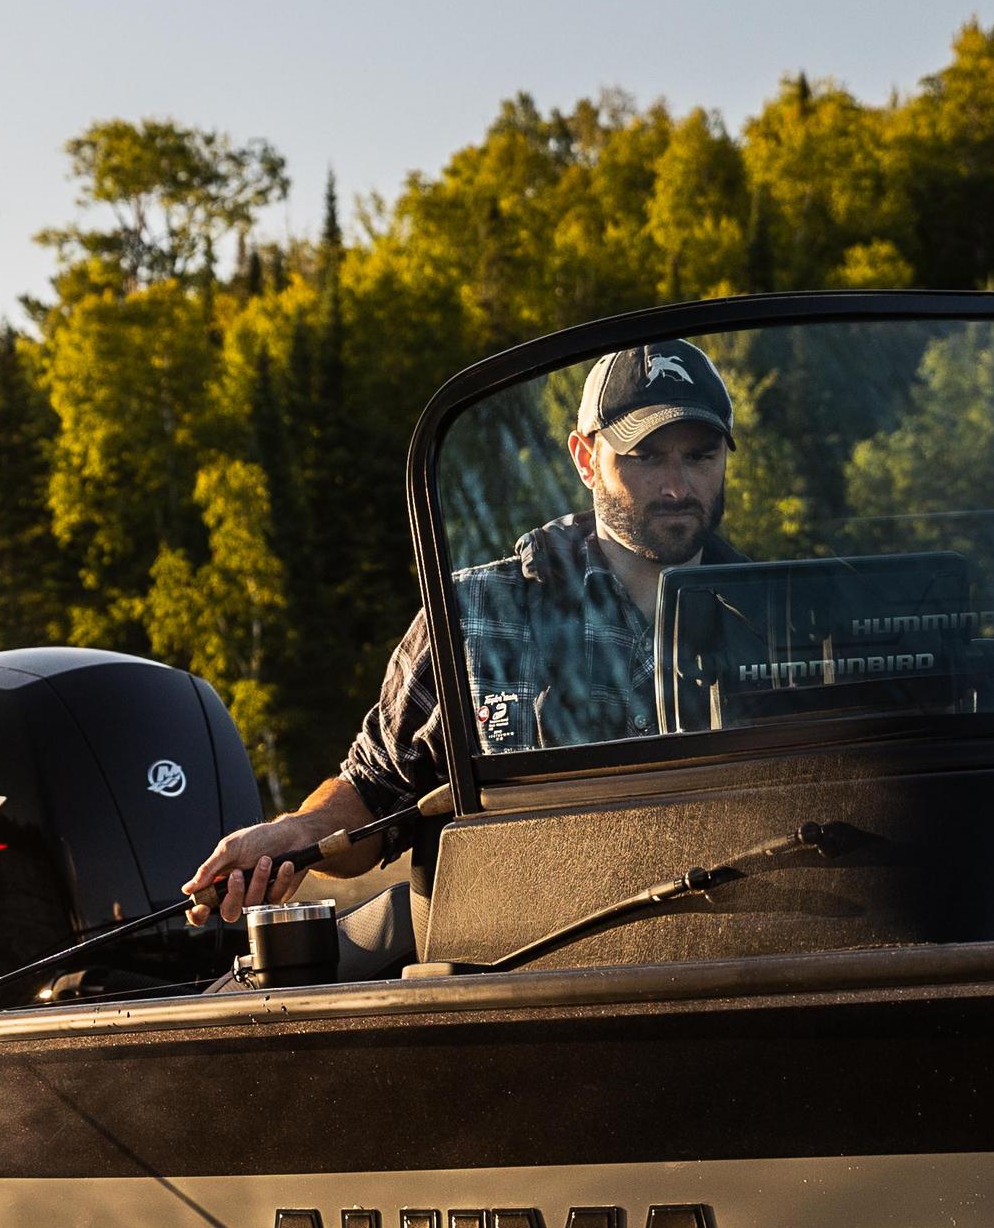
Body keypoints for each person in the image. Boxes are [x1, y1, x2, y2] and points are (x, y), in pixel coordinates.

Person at [184, 339, 743, 921]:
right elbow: (376, 792)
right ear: (584, 458)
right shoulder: (475, 612)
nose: (678, 487)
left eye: (700, 456)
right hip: (529, 976)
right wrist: (293, 836)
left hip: (745, 967)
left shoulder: (785, 619)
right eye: (646, 456)